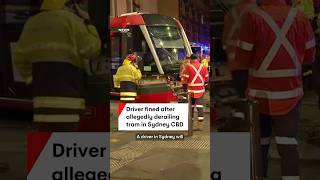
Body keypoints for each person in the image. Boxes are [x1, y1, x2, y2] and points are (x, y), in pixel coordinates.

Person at [235, 0, 316, 179]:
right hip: (290, 96)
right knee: (288, 146)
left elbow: (242, 58)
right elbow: (310, 56)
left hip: (259, 97)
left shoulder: (252, 17)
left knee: (259, 146)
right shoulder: (300, 17)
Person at [13, 0, 101, 131]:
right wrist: (88, 23)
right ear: (69, 5)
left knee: (47, 143)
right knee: (69, 146)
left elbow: (19, 58)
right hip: (70, 99)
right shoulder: (71, 20)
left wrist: (32, 79)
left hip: (41, 101)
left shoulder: (32, 23)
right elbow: (92, 49)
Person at [223, 0, 257, 98]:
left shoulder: (231, 13)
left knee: (242, 95)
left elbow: (225, 41)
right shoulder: (258, 12)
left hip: (235, 63)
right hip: (252, 63)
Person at [181, 54, 209, 131]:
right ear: (198, 59)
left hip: (191, 91)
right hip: (200, 90)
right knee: (200, 107)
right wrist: (205, 88)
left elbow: (184, 79)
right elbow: (206, 79)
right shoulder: (203, 66)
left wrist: (185, 89)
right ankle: (200, 126)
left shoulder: (188, 66)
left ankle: (190, 125)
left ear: (190, 59)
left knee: (191, 107)